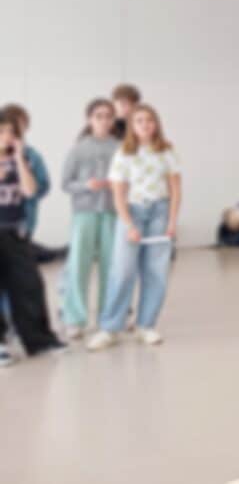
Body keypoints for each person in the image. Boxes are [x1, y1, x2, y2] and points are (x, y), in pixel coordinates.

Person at [87, 105, 182, 351]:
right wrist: (129, 224)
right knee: (123, 271)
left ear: (156, 124)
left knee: (156, 272)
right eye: (139, 121)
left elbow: (175, 190)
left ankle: (146, 325)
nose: (145, 125)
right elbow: (118, 194)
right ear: (132, 126)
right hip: (132, 212)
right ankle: (110, 328)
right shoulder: (124, 153)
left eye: (150, 120)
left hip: (160, 213)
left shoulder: (167, 151)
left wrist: (172, 222)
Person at [0, 110, 65, 366]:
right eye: (2, 132)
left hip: (15, 231)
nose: (7, 137)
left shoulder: (22, 159)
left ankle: (39, 341)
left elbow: (30, 190)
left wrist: (17, 158)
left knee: (29, 286)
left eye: (12, 133)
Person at [60, 99, 120, 339]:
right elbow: (65, 184)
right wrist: (87, 185)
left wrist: (115, 186)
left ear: (113, 120)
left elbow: (130, 180)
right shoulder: (78, 149)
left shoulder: (121, 147)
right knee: (78, 266)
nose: (104, 120)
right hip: (84, 213)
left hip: (112, 213)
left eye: (108, 116)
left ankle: (109, 318)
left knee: (111, 267)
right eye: (98, 115)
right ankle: (74, 319)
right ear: (89, 119)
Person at [0, 104, 50, 239]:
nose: (9, 135)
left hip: (19, 221)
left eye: (16, 128)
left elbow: (38, 189)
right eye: (3, 130)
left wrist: (19, 159)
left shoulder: (30, 156)